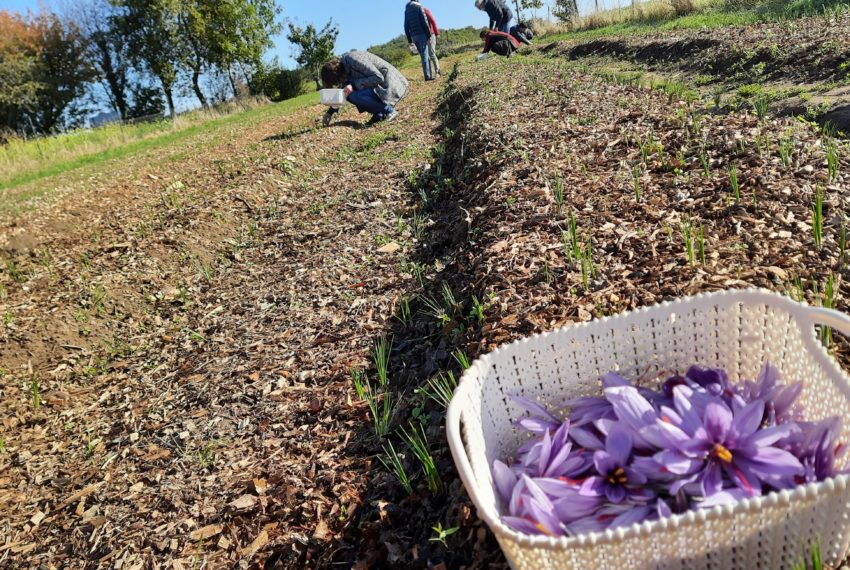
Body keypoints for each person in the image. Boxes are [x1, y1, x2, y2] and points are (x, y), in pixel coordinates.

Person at [320, 51, 409, 127]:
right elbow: (341, 93)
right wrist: (330, 112)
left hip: (389, 84)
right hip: (377, 86)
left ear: (337, 74)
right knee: (347, 93)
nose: (339, 83)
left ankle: (389, 110)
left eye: (337, 81)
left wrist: (353, 85)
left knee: (352, 95)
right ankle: (379, 113)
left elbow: (378, 77)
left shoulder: (353, 59)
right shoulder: (343, 69)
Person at [404, 0, 434, 81]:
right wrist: (429, 35)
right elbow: (425, 22)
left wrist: (410, 40)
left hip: (413, 36)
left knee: (422, 56)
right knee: (425, 56)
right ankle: (428, 76)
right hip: (422, 34)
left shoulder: (407, 10)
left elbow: (406, 26)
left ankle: (428, 74)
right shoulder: (419, 7)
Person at [423, 3, 441, 78]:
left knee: (431, 53)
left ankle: (438, 72)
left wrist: (437, 33)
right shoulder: (415, 13)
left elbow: (433, 21)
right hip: (423, 37)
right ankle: (429, 74)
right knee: (426, 56)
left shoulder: (425, 10)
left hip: (431, 35)